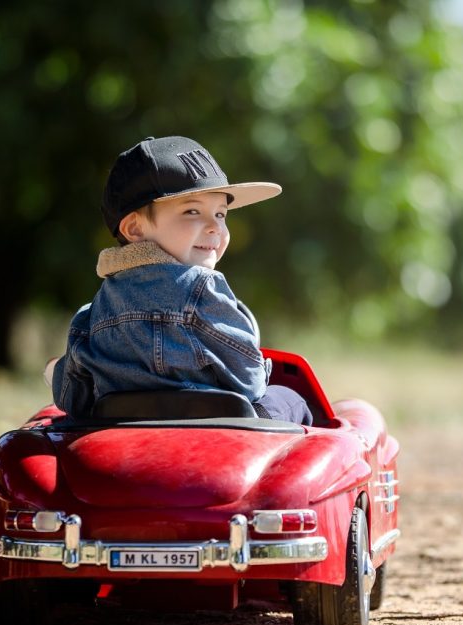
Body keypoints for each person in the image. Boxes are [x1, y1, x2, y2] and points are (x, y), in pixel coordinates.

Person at [51, 135, 312, 425]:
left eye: (221, 214)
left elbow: (71, 397)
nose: (215, 227)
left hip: (122, 435)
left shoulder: (92, 313)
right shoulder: (202, 288)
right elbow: (248, 380)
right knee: (290, 399)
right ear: (135, 228)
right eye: (192, 211)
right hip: (219, 437)